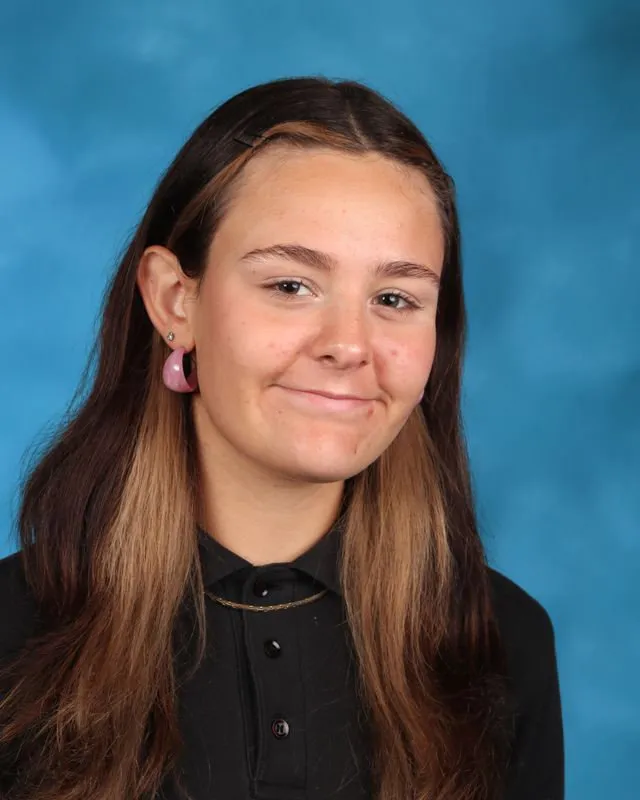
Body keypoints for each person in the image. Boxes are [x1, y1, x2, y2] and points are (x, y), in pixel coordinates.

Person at [0, 76, 563, 800]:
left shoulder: (502, 643)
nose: (348, 346)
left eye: (394, 299)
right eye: (291, 286)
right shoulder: (14, 635)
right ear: (176, 301)